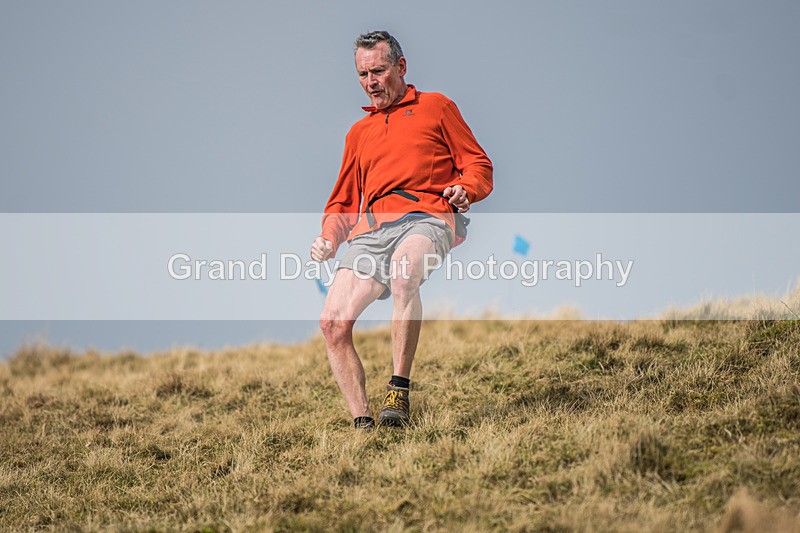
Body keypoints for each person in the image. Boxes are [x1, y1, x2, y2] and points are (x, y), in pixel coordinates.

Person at [310, 30, 492, 430]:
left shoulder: (437, 107)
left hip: (427, 216)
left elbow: (478, 165)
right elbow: (342, 200)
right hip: (371, 229)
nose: (371, 81)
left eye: (378, 70)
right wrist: (329, 237)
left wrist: (466, 189)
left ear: (401, 67)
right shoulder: (358, 133)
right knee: (332, 322)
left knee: (405, 273)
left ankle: (398, 389)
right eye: (363, 74)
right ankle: (363, 423)